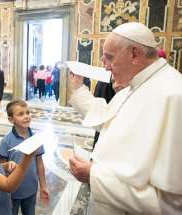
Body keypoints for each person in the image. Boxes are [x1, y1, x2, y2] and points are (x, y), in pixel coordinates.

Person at [69, 22, 182, 214]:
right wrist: (79, 88)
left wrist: (93, 176)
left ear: (135, 54)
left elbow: (169, 204)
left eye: (109, 58)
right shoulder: (135, 85)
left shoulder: (174, 95)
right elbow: (107, 121)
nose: (105, 67)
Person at [0, 99, 50, 215]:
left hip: (31, 190)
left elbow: (40, 164)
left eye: (27, 112)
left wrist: (43, 186)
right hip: (12, 192)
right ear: (11, 119)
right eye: (20, 114)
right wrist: (7, 167)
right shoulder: (6, 141)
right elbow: (1, 167)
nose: (26, 116)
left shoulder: (36, 139)